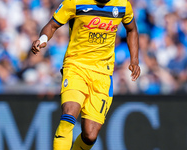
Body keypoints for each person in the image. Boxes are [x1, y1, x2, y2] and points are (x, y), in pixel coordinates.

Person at [31, 0, 140, 149]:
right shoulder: (75, 2)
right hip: (76, 66)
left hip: (102, 73)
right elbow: (52, 25)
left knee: (90, 135)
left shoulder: (122, 5)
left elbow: (132, 29)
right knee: (69, 114)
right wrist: (42, 39)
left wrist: (134, 59)